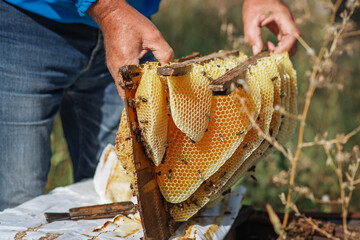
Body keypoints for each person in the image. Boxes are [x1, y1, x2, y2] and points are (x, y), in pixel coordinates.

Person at [0, 0, 299, 211]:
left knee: (121, 190)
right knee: (19, 197)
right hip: (27, 22)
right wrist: (107, 7)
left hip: (130, 25)